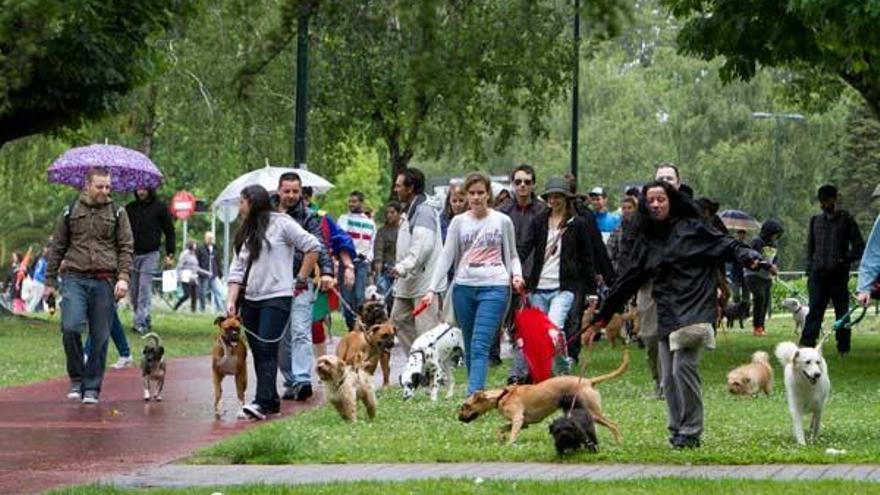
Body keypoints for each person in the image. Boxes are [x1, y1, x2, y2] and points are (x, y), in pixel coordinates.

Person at [594, 180, 761, 449]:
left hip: (694, 310)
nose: (656, 204)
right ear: (645, 206)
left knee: (683, 367)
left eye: (661, 199)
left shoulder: (694, 229)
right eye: (651, 201)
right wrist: (602, 316)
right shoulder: (647, 240)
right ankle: (677, 430)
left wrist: (751, 257)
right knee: (668, 376)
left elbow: (728, 246)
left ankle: (691, 430)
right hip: (667, 312)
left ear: (671, 201)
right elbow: (628, 280)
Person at [226, 185, 320, 420]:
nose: (240, 207)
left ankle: (261, 402)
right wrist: (231, 300)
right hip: (250, 298)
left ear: (252, 202)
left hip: (276, 297)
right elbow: (237, 269)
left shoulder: (282, 223)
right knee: (258, 350)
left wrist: (300, 278)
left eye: (242, 202)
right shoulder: (246, 231)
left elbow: (312, 246)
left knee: (268, 348)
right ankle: (270, 401)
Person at [424, 172, 523, 394]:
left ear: (489, 194)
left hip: (494, 286)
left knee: (480, 344)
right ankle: (476, 391)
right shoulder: (458, 223)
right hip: (464, 288)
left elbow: (513, 255)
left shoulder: (502, 221)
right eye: (472, 193)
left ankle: (473, 395)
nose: (476, 197)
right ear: (466, 196)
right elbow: (446, 257)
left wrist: (516, 275)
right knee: (469, 345)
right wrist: (431, 289)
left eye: (481, 193)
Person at [44, 167, 134, 404]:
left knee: (100, 335)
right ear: (87, 184)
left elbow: (126, 247)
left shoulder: (118, 212)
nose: (105, 191)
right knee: (71, 327)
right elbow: (57, 247)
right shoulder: (70, 211)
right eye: (100, 186)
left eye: (108, 187)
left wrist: (123, 277)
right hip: (75, 277)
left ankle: (92, 387)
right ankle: (77, 379)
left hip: (105, 280)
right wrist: (50, 281)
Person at [274, 172, 338, 401]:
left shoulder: (310, 217)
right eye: (287, 191)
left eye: (295, 191)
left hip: (302, 281)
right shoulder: (267, 216)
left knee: (301, 331)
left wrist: (328, 272)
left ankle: (302, 380)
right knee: (281, 337)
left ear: (301, 193)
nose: (291, 195)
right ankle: (290, 379)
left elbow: (320, 244)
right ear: (279, 191)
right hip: (274, 284)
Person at [524, 177, 595, 367]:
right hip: (539, 286)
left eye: (558, 197)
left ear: (566, 198)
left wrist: (592, 290)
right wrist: (514, 272)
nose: (554, 201)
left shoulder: (577, 224)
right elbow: (525, 248)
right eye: (551, 197)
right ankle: (546, 369)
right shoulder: (539, 221)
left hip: (564, 286)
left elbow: (587, 257)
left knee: (553, 329)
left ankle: (563, 365)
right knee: (540, 333)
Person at [802, 185, 864, 353]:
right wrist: (810, 268)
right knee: (814, 311)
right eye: (821, 202)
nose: (823, 205)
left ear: (834, 199)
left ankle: (843, 347)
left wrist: (844, 259)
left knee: (842, 312)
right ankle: (806, 346)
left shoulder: (846, 219)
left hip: (838, 275)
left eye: (826, 201)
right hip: (818, 274)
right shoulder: (815, 221)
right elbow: (811, 248)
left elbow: (859, 247)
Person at [499, 164, 546, 380]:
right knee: (511, 325)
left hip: (534, 276)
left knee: (528, 324)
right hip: (506, 274)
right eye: (518, 182)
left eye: (527, 181)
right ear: (513, 184)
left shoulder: (543, 211)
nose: (522, 186)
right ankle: (522, 368)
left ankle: (522, 372)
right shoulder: (504, 212)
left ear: (533, 184)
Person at [390, 167, 443, 355]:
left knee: (427, 329)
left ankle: (433, 370)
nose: (395, 189)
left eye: (399, 186)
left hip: (424, 282)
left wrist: (403, 267)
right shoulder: (409, 210)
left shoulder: (424, 210)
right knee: (398, 318)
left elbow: (423, 246)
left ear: (410, 188)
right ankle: (418, 362)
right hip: (407, 281)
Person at [126, 188, 176, 334]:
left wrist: (170, 253)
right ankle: (143, 316)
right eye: (138, 189)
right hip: (133, 253)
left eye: (144, 189)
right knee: (134, 290)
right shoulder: (130, 209)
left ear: (149, 189)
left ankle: (139, 322)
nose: (141, 192)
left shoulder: (160, 207)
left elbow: (169, 231)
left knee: (144, 287)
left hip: (151, 253)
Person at [337, 191, 376, 330]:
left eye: (354, 201)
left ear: (361, 202)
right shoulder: (343, 219)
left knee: (359, 297)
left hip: (362, 263)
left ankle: (358, 327)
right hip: (347, 262)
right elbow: (340, 240)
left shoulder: (369, 223)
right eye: (350, 201)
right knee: (346, 298)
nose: (351, 204)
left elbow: (372, 243)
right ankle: (350, 327)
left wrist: (368, 258)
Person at [743, 220, 783, 336]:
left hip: (766, 277)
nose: (775, 237)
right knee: (759, 297)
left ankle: (761, 326)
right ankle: (756, 327)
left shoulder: (774, 244)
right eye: (774, 234)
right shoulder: (757, 242)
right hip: (753, 275)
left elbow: (774, 258)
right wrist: (768, 266)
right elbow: (756, 258)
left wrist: (775, 266)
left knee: (765, 301)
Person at [373, 201, 402, 301]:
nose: (389, 215)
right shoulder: (382, 232)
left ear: (399, 214)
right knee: (385, 298)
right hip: (386, 271)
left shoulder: (405, 230)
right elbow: (378, 252)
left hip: (402, 270)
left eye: (392, 212)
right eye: (387, 213)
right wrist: (378, 273)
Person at [173, 241, 206, 312]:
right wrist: (179, 276)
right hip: (185, 276)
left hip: (193, 277)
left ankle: (193, 310)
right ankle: (175, 307)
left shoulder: (194, 254)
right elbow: (179, 266)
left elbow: (196, 267)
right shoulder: (184, 254)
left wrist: (206, 273)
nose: (196, 246)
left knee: (195, 295)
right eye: (194, 244)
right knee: (187, 294)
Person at [196, 232, 225, 313]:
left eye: (212, 238)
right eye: (209, 238)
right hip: (204, 275)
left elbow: (218, 262)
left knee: (219, 292)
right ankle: (202, 310)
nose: (211, 240)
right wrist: (198, 272)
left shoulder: (215, 249)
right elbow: (196, 261)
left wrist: (220, 274)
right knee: (203, 293)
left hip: (214, 275)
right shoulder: (200, 249)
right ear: (205, 239)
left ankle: (220, 310)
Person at [607, 196, 637, 272]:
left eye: (629, 208)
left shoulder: (641, 228)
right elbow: (610, 250)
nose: (627, 211)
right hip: (621, 271)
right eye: (624, 208)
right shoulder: (618, 229)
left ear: (635, 209)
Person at [27, 247, 48, 313]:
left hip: (38, 281)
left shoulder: (43, 261)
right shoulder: (41, 262)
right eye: (46, 252)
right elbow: (37, 273)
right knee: (37, 297)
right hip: (38, 282)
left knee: (38, 297)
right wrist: (44, 280)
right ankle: (29, 310)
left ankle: (30, 310)